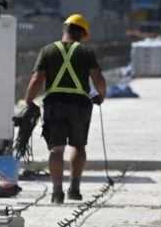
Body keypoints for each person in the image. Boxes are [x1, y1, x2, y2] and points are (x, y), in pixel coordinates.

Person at [24, 14, 107, 204]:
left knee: (56, 149)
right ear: (82, 34)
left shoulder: (47, 51)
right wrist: (101, 95)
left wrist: (29, 100)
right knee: (78, 146)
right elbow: (99, 79)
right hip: (79, 105)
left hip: (55, 103)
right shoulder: (86, 52)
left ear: (65, 29)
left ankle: (57, 191)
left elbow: (37, 79)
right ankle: (75, 189)